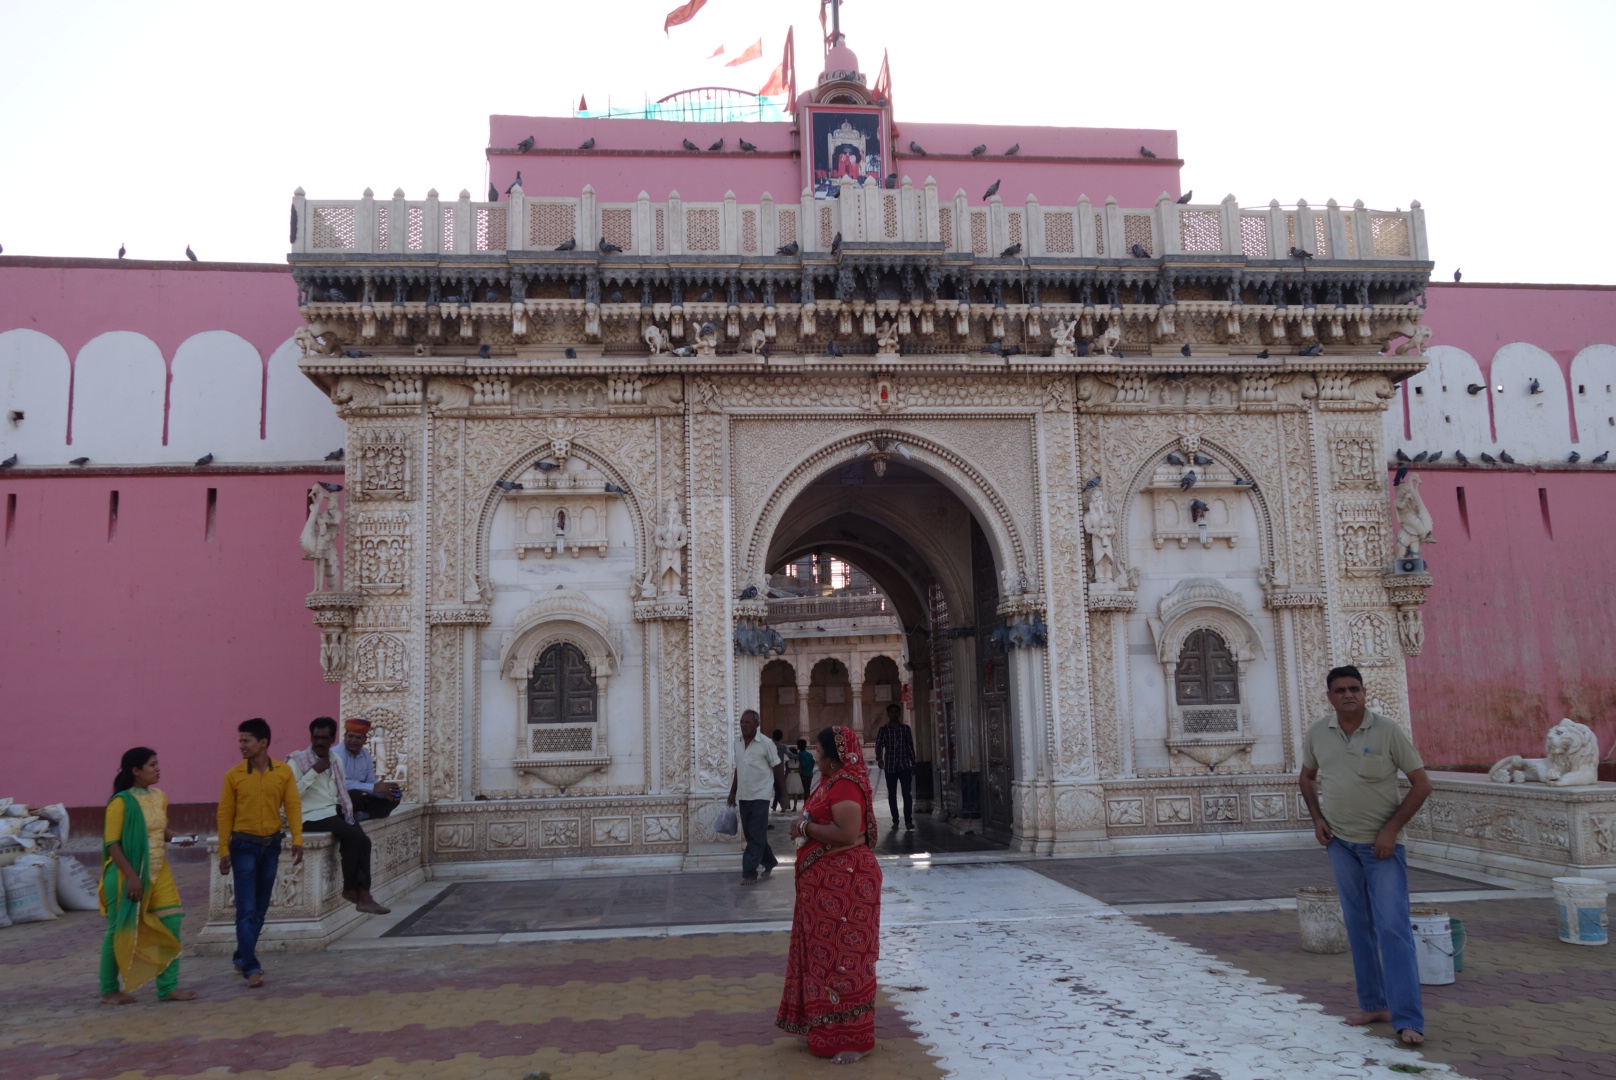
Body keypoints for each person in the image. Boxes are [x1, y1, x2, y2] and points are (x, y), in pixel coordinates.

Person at [1300, 666, 1433, 1047]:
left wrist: (1391, 830)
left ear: (1364, 692)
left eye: (1354, 689)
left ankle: (1409, 1019)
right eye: (1340, 690)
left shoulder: (1387, 731)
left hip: (1382, 847)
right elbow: (1307, 777)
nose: (1348, 695)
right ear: (1329, 696)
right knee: (1359, 926)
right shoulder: (1318, 733)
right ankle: (1375, 1005)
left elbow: (1422, 784)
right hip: (1341, 844)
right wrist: (1317, 818)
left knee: (1393, 928)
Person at [778, 726, 883, 1063]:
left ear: (835, 756)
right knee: (822, 961)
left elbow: (848, 833)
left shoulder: (846, 785)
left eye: (820, 751)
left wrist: (805, 827)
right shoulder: (829, 783)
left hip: (846, 889)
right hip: (825, 891)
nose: (817, 756)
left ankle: (854, 1039)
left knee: (845, 961)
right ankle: (822, 1027)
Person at [99, 747, 197, 1005]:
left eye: (157, 764)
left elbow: (160, 831)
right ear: (135, 770)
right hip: (125, 875)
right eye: (152, 765)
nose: (157, 769)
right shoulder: (120, 802)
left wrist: (179, 838)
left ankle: (167, 988)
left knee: (172, 921)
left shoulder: (159, 796)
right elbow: (112, 844)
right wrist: (132, 877)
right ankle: (108, 989)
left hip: (158, 870)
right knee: (119, 930)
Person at [217, 718, 303, 988]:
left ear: (263, 742)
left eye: (246, 740)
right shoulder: (233, 775)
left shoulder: (283, 772)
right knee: (246, 908)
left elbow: (292, 805)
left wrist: (297, 839)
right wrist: (223, 850)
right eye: (240, 740)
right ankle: (251, 967)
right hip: (243, 846)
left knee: (261, 907)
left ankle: (241, 955)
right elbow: (225, 814)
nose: (241, 745)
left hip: (271, 846)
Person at [290, 717, 390, 915]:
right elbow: (290, 795)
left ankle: (364, 895)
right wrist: (313, 772)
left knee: (364, 841)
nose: (319, 742)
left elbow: (339, 790)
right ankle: (351, 890)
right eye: (316, 738)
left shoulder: (335, 760)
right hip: (309, 816)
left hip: (331, 810)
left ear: (332, 739)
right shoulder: (297, 761)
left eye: (324, 738)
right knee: (354, 837)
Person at [726, 710, 784, 885]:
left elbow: (777, 768)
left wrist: (784, 794)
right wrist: (732, 792)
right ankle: (770, 861)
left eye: (748, 722)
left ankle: (750, 872)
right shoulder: (737, 743)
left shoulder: (766, 743)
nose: (744, 725)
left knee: (756, 835)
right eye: (742, 722)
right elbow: (739, 769)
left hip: (761, 795)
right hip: (744, 795)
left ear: (756, 725)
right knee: (752, 834)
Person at [332, 717, 402, 820]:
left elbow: (370, 782)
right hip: (337, 799)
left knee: (393, 797)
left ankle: (362, 814)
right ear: (345, 736)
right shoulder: (336, 754)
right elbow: (340, 784)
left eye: (358, 738)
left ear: (365, 740)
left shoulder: (365, 755)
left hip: (358, 800)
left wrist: (384, 792)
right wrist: (373, 787)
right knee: (354, 794)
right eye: (350, 736)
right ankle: (369, 813)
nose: (354, 740)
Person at [874, 703, 916, 831]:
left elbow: (909, 746)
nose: (894, 714)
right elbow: (879, 745)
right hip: (890, 767)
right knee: (892, 795)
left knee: (906, 793)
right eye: (891, 712)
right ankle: (895, 821)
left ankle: (908, 821)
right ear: (888, 714)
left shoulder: (905, 729)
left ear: (899, 713)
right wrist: (880, 759)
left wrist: (913, 762)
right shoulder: (884, 730)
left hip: (904, 766)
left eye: (896, 712)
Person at [771, 728, 790, 812]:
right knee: (781, 789)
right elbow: (790, 754)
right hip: (780, 770)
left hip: (772, 771)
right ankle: (782, 806)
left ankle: (777, 805)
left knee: (777, 789)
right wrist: (798, 756)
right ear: (781, 737)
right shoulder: (783, 746)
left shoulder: (770, 746)